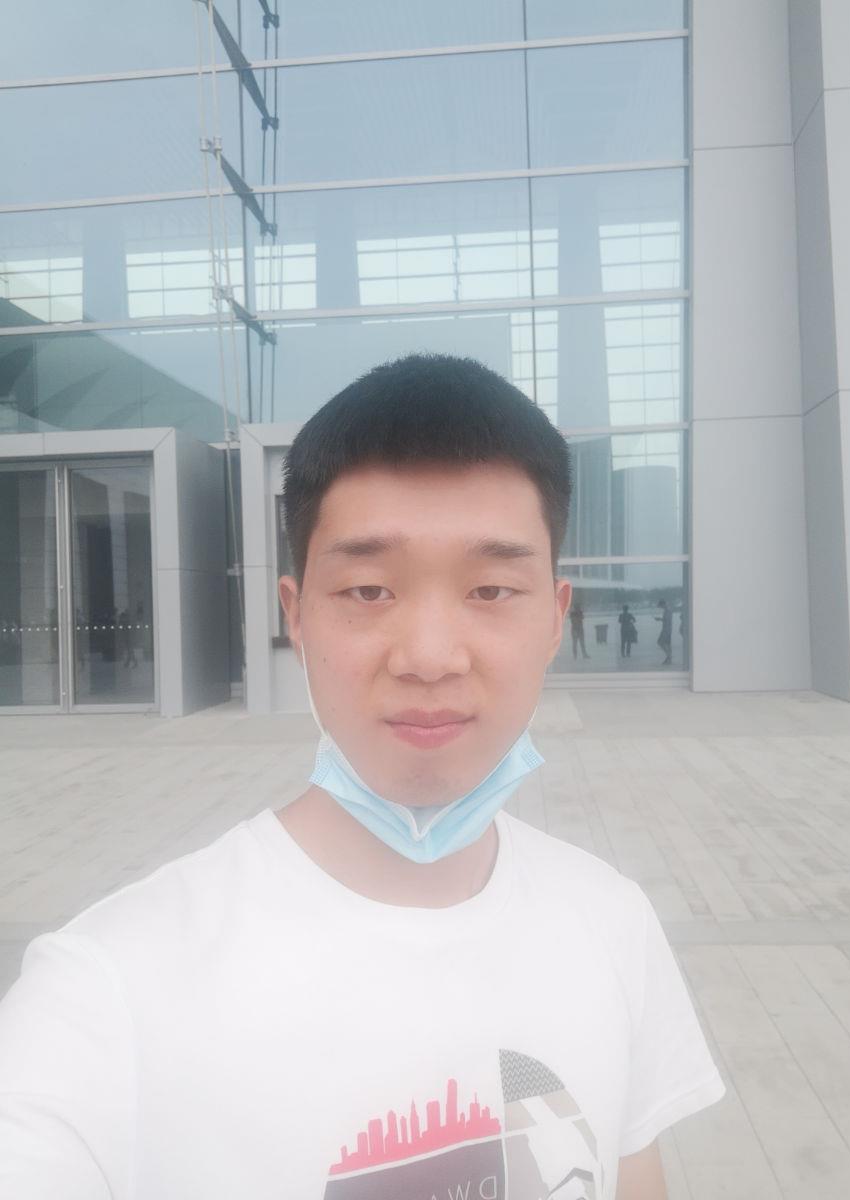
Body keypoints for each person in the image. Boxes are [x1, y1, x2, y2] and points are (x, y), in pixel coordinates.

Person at [0, 354, 724, 1199]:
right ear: (296, 616)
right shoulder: (108, 993)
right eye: (370, 589)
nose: (429, 657)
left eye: (492, 590)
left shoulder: (612, 922)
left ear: (556, 618)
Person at [654, 598, 673, 665]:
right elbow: (667, 620)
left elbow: (667, 620)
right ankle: (669, 658)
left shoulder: (667, 610)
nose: (660, 607)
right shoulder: (668, 610)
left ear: (663, 604)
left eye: (660, 606)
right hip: (668, 629)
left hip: (666, 629)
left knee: (660, 642)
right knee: (667, 644)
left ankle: (669, 657)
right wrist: (660, 619)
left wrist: (659, 619)